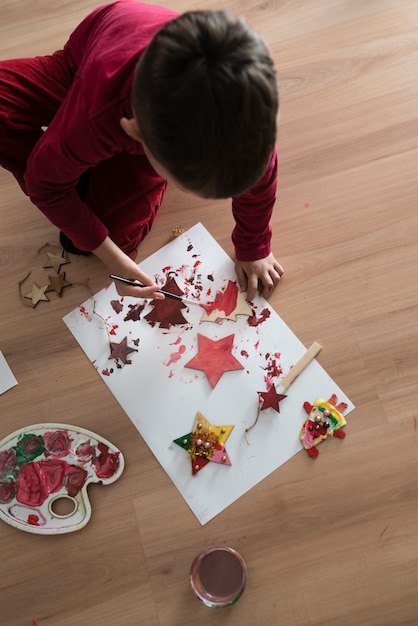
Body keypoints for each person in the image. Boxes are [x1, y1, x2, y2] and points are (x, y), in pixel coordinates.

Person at [0, 0, 284, 301]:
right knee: (81, 217)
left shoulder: (251, 127)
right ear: (136, 135)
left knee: (96, 236)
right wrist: (113, 260)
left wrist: (254, 247)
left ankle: (70, 162)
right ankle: (68, 164)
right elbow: (43, 185)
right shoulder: (104, 115)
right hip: (79, 68)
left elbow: (260, 185)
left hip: (122, 90)